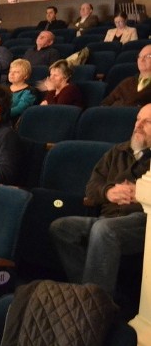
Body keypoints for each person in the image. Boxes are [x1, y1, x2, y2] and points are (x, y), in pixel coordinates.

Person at [50, 104, 151, 295]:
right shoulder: (117, 152)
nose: (138, 125)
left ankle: (93, 303)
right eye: (138, 119)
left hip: (143, 222)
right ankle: (91, 293)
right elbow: (91, 187)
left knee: (103, 230)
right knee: (61, 227)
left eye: (147, 122)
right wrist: (108, 192)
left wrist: (141, 192)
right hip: (108, 218)